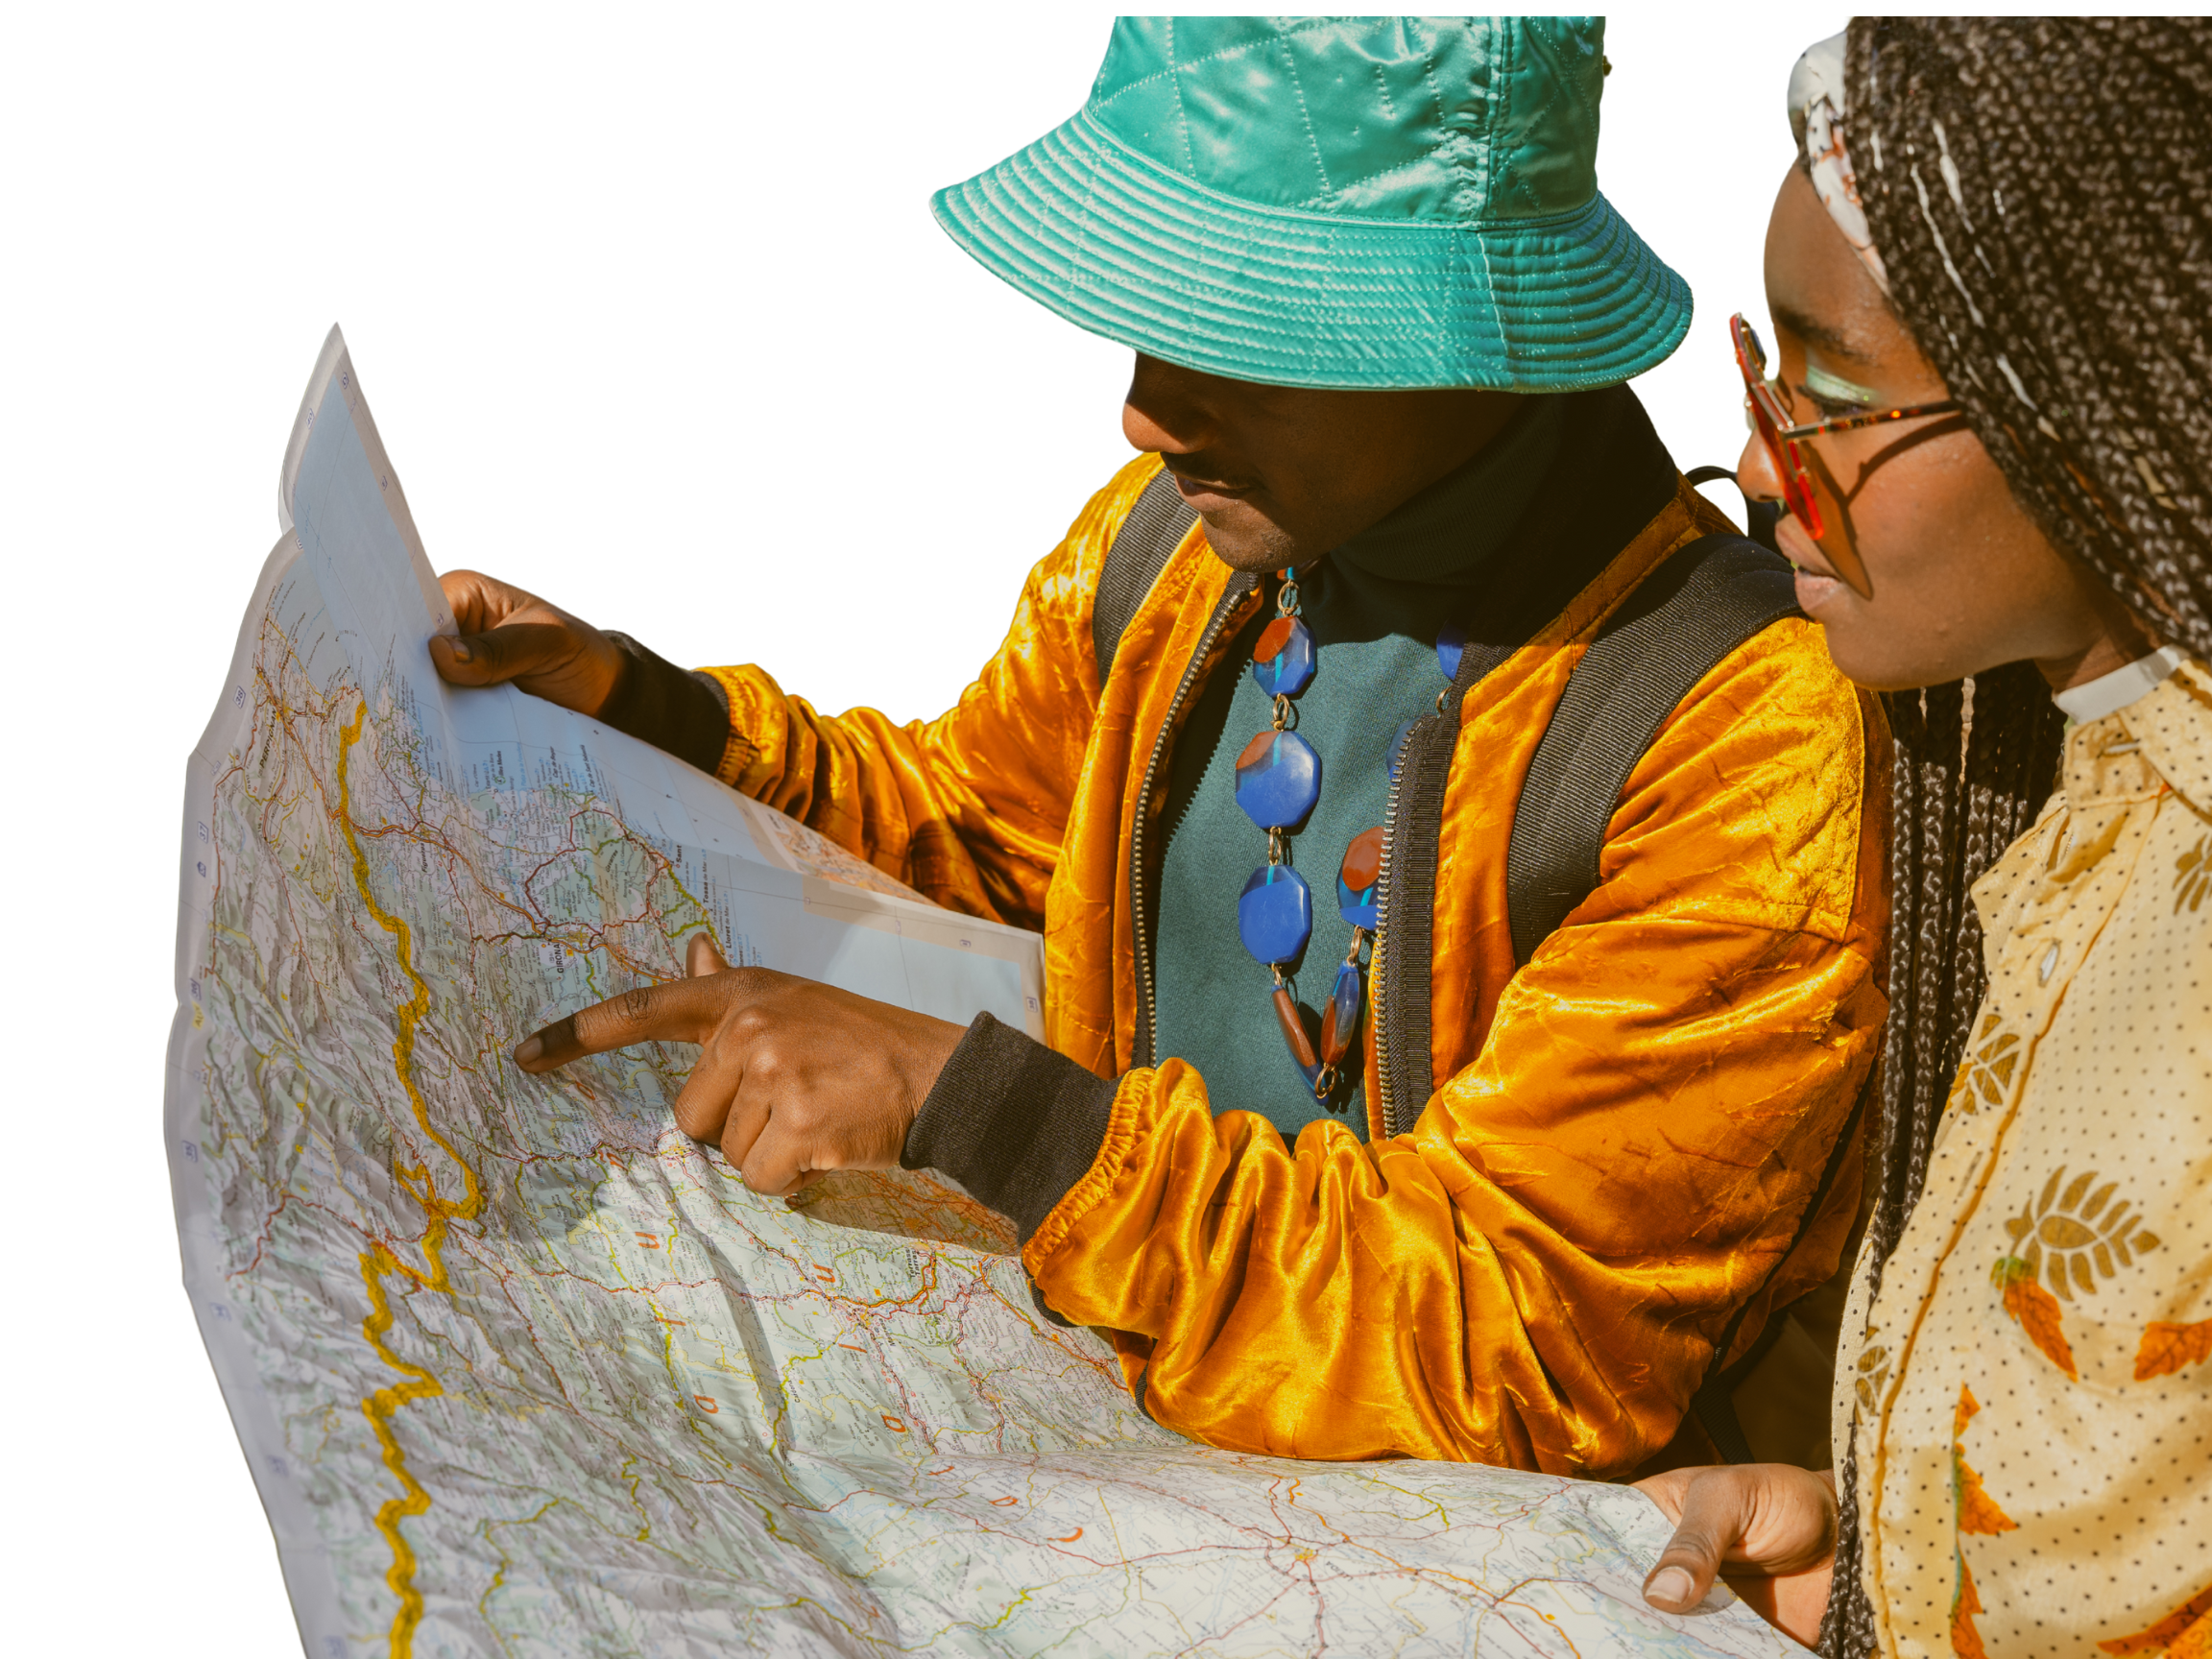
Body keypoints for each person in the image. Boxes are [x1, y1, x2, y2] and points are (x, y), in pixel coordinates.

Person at [433, 18, 1889, 1480]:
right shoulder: (1178, 551)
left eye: (1242, 332)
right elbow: (983, 827)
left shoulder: (1745, 733)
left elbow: (1519, 1336)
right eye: (1146, 312)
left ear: (1465, 331)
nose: (1142, 411)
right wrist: (643, 704)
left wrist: (977, 1109)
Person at [1631, 18, 2209, 1657]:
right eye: (1754, 374)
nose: (1756, 465)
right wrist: (1870, 1565)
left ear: (2101, 391)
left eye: (1826, 396)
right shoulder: (2046, 776)